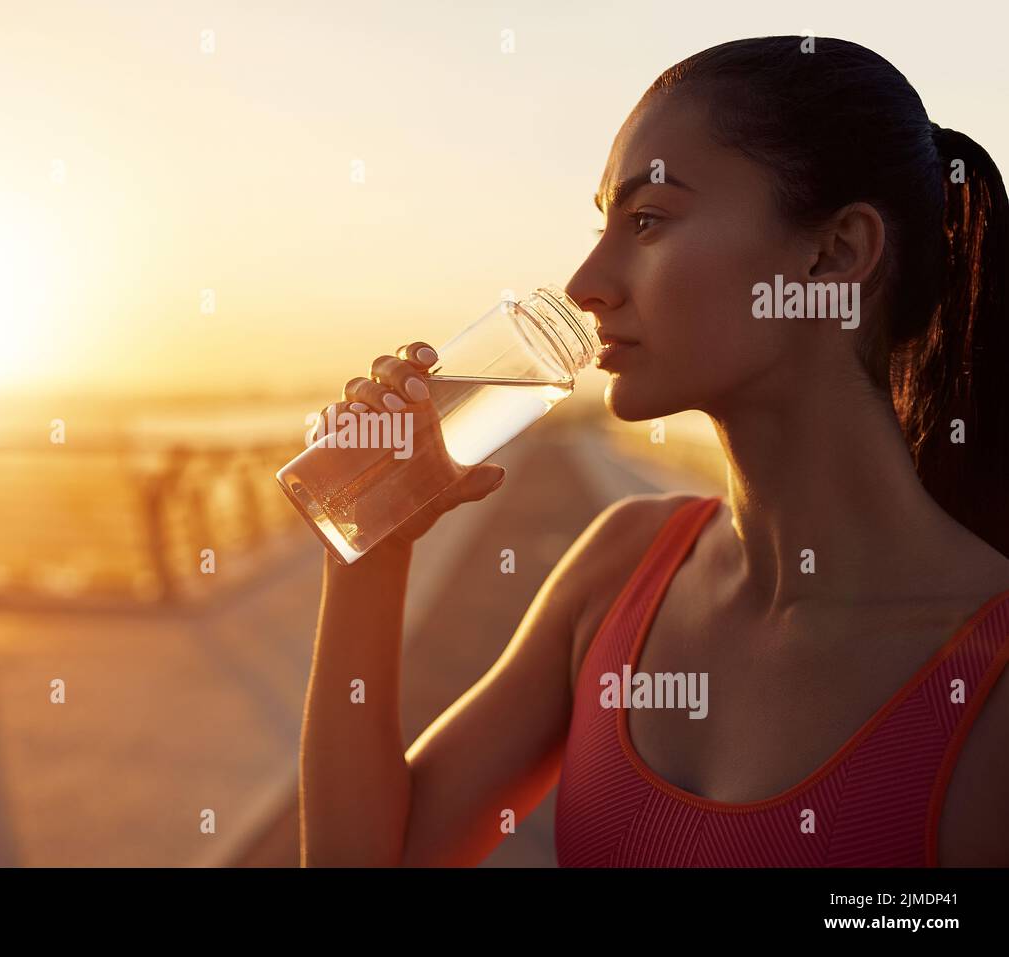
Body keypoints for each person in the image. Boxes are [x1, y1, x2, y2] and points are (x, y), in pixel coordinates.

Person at [298, 36, 1009, 867]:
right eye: (604, 223)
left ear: (834, 254)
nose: (583, 284)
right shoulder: (620, 570)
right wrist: (369, 544)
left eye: (646, 220)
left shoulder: (984, 683)